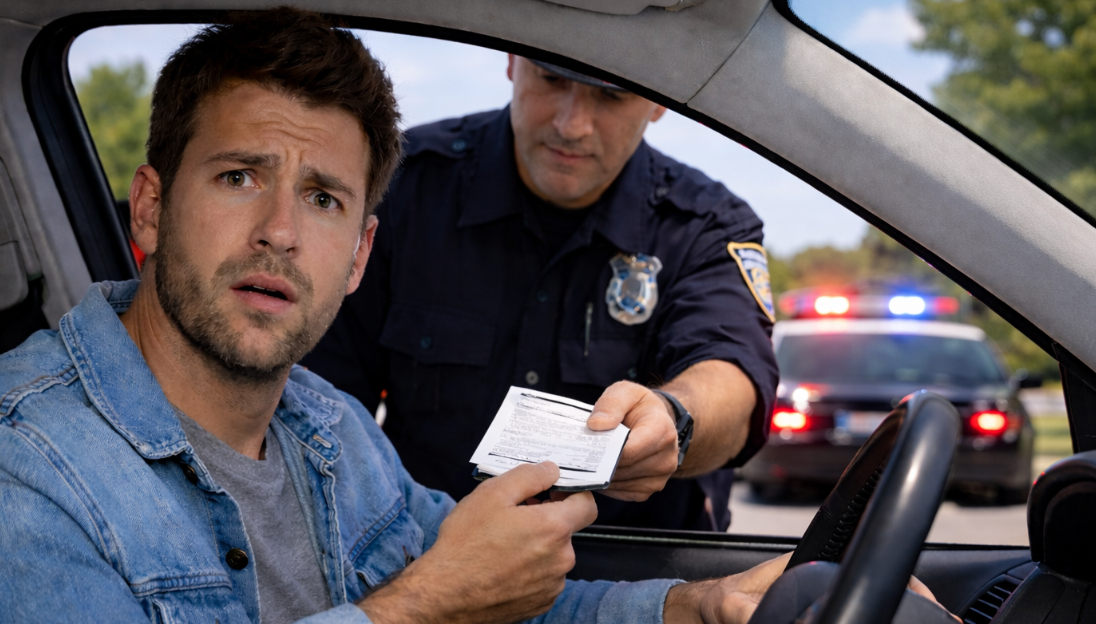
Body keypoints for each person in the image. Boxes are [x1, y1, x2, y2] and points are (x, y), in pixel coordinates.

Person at [0, 10, 788, 623]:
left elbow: (505, 600)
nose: (281, 231)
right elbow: (456, 596)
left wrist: (695, 606)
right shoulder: (27, 471)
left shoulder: (331, 432)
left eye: (322, 199)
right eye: (239, 176)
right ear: (150, 208)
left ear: (357, 255)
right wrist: (426, 606)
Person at [302, 51, 780, 532]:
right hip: (427, 555)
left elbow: (734, 383)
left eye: (612, 95)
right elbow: (320, 401)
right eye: (551, 79)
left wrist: (673, 418)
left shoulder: (703, 226)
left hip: (630, 575)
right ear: (512, 62)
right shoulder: (405, 187)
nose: (571, 124)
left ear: (659, 102)